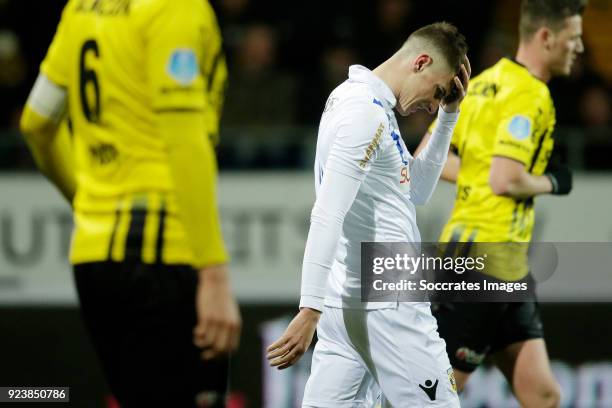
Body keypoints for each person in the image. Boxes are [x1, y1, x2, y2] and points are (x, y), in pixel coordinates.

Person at [19, 0, 241, 406]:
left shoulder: (81, 9)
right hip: (161, 250)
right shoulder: (178, 10)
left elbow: (36, 123)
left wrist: (88, 202)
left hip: (94, 260)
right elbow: (184, 137)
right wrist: (214, 274)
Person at [267, 22, 470, 407]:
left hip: (351, 300)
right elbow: (327, 212)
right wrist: (309, 307)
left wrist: (448, 116)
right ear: (421, 62)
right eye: (438, 91)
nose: (432, 103)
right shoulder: (365, 115)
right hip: (388, 299)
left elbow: (418, 190)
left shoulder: (364, 103)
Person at [416, 1, 586, 406]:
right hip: (484, 259)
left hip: (502, 261)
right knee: (432, 397)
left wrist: (486, 172)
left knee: (543, 394)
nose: (578, 48)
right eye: (573, 38)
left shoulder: (484, 83)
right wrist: (553, 181)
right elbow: (505, 179)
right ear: (546, 37)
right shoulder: (532, 95)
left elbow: (429, 156)